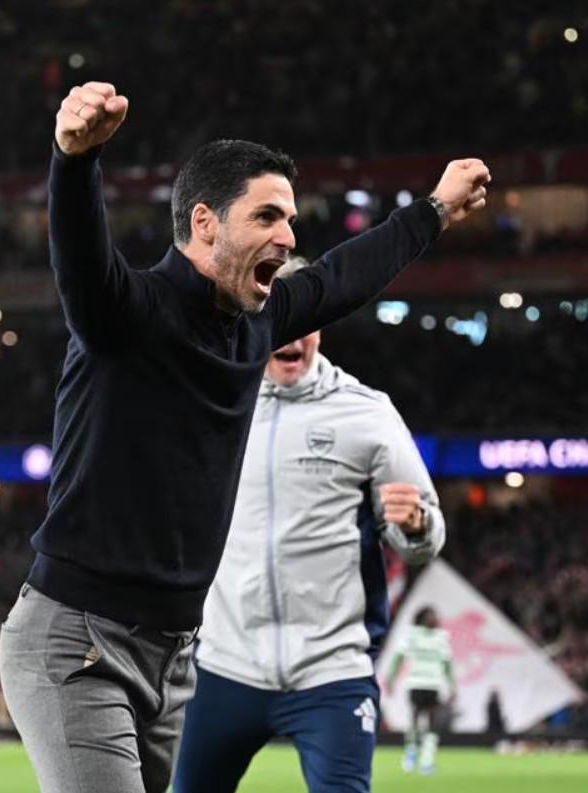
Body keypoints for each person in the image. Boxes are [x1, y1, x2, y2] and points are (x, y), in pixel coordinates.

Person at [0, 80, 490, 793]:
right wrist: (74, 161)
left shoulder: (257, 323)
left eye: (289, 218)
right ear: (205, 223)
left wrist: (435, 210)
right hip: (80, 639)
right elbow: (79, 260)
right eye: (266, 216)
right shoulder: (126, 315)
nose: (288, 237)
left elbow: (344, 277)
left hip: (173, 657)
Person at [173, 258, 446, 793]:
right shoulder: (212, 403)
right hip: (226, 667)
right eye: (279, 316)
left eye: (305, 319)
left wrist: (414, 524)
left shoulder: (367, 414)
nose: (293, 334)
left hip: (331, 671)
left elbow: (426, 535)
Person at [385, 606, 455, 775]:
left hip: (434, 684)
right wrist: (391, 678)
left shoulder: (441, 638)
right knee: (415, 719)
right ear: (422, 619)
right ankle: (411, 752)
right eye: (431, 616)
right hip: (416, 683)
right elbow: (398, 657)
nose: (435, 618)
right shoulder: (412, 635)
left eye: (435, 616)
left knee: (432, 722)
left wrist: (452, 685)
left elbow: (447, 664)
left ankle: (427, 759)